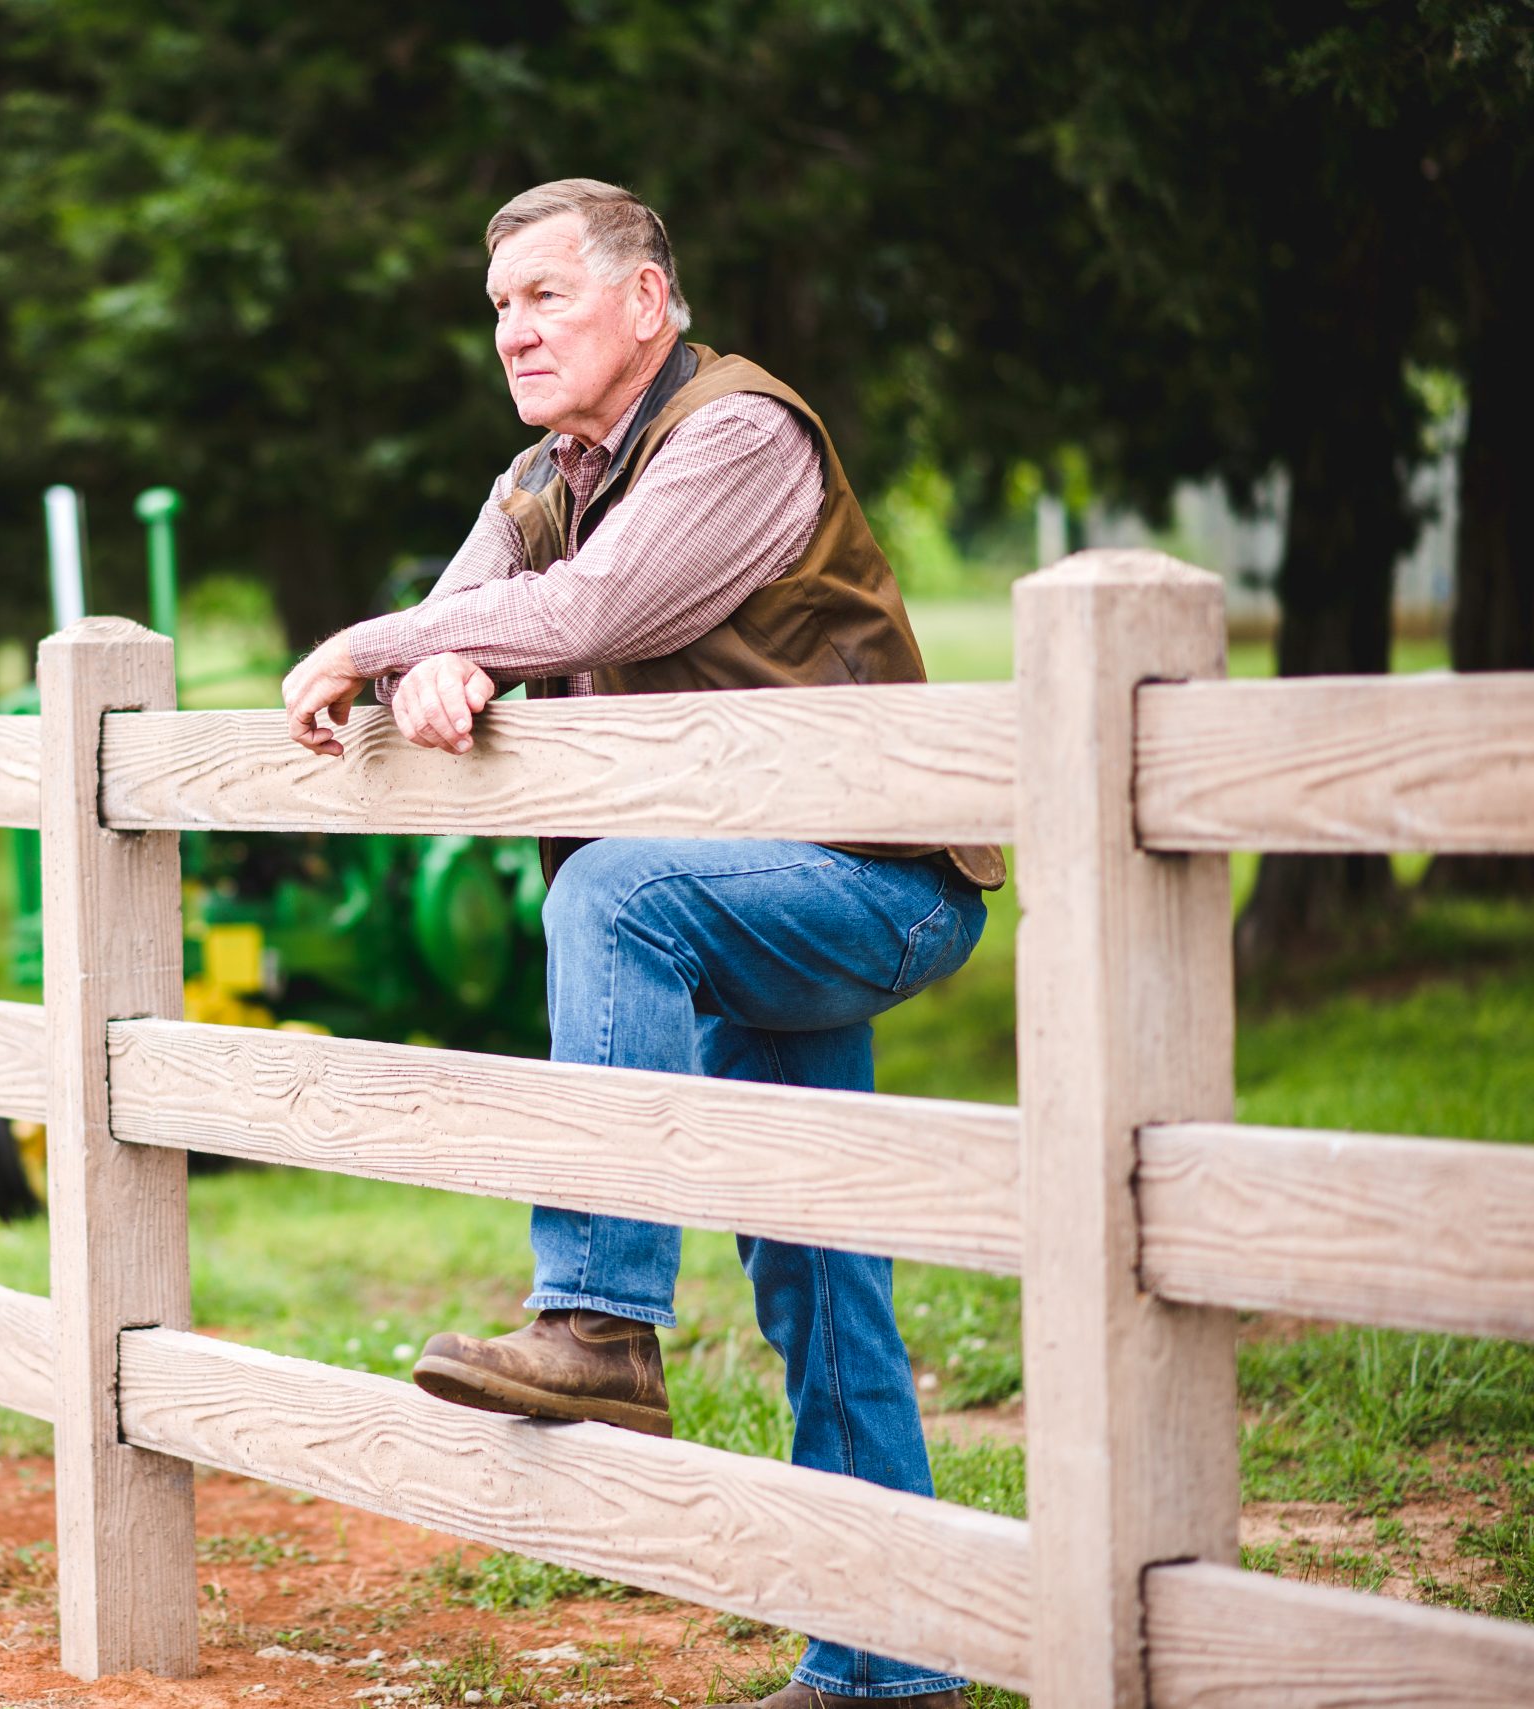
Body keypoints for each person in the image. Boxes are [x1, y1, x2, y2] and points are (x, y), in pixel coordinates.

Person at [278, 178, 1006, 1709]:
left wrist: (380, 645)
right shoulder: (541, 477)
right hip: (744, 899)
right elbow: (476, 611)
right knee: (818, 1266)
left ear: (648, 304)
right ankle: (888, 1660)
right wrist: (437, 659)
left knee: (605, 891)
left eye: (546, 297)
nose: (515, 333)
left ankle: (601, 1318)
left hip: (875, 882)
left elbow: (597, 604)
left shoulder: (741, 435)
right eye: (499, 310)